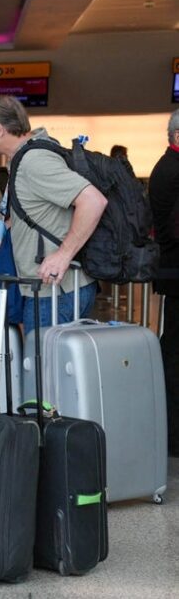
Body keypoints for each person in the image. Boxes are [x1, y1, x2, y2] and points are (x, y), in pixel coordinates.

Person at [0, 95, 107, 325]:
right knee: (41, 360)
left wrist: (63, 254)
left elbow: (93, 201)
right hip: (47, 289)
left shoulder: (35, 161)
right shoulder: (23, 157)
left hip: (55, 292)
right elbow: (33, 212)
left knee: (43, 361)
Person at [148, 109, 179, 457]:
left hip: (172, 273)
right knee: (174, 355)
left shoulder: (167, 167)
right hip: (175, 272)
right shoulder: (172, 171)